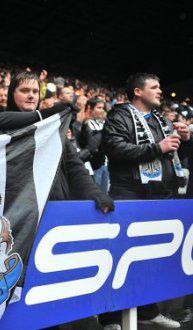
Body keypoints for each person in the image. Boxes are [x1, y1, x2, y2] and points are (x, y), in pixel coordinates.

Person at [100, 73, 190, 329]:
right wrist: (157, 148)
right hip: (129, 194)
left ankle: (148, 312)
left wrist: (181, 141)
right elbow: (113, 147)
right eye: (155, 87)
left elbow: (166, 155)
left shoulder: (161, 120)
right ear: (138, 92)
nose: (160, 91)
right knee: (119, 256)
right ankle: (110, 317)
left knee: (148, 258)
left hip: (158, 196)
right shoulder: (120, 115)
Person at [6, 71, 114, 212]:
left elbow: (74, 166)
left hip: (55, 208)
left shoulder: (52, 127)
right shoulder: (0, 129)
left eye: (35, 91)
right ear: (12, 94)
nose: (31, 95)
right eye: (24, 90)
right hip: (15, 211)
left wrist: (95, 193)